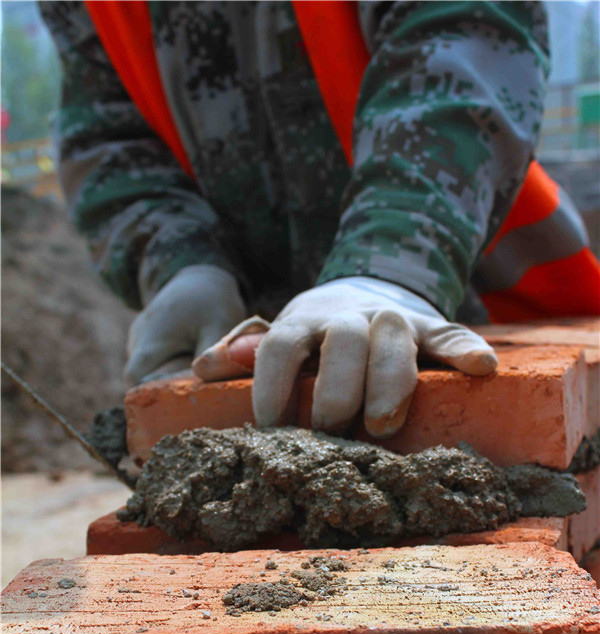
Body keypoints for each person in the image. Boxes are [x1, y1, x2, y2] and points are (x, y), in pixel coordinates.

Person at [41, 1, 597, 438]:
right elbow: (109, 132)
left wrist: (390, 266)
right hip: (252, 363)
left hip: (474, 308)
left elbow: (464, 35)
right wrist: (180, 262)